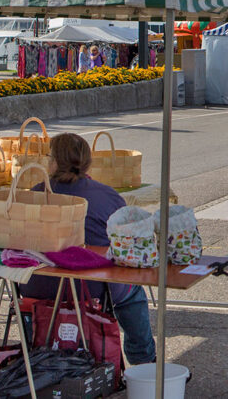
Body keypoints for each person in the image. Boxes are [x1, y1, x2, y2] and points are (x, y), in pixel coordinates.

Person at [18, 134, 156, 365]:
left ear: (52, 161)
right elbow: (126, 245)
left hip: (36, 285)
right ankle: (144, 362)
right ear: (87, 162)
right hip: (93, 289)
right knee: (132, 291)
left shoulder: (32, 195)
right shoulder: (108, 196)